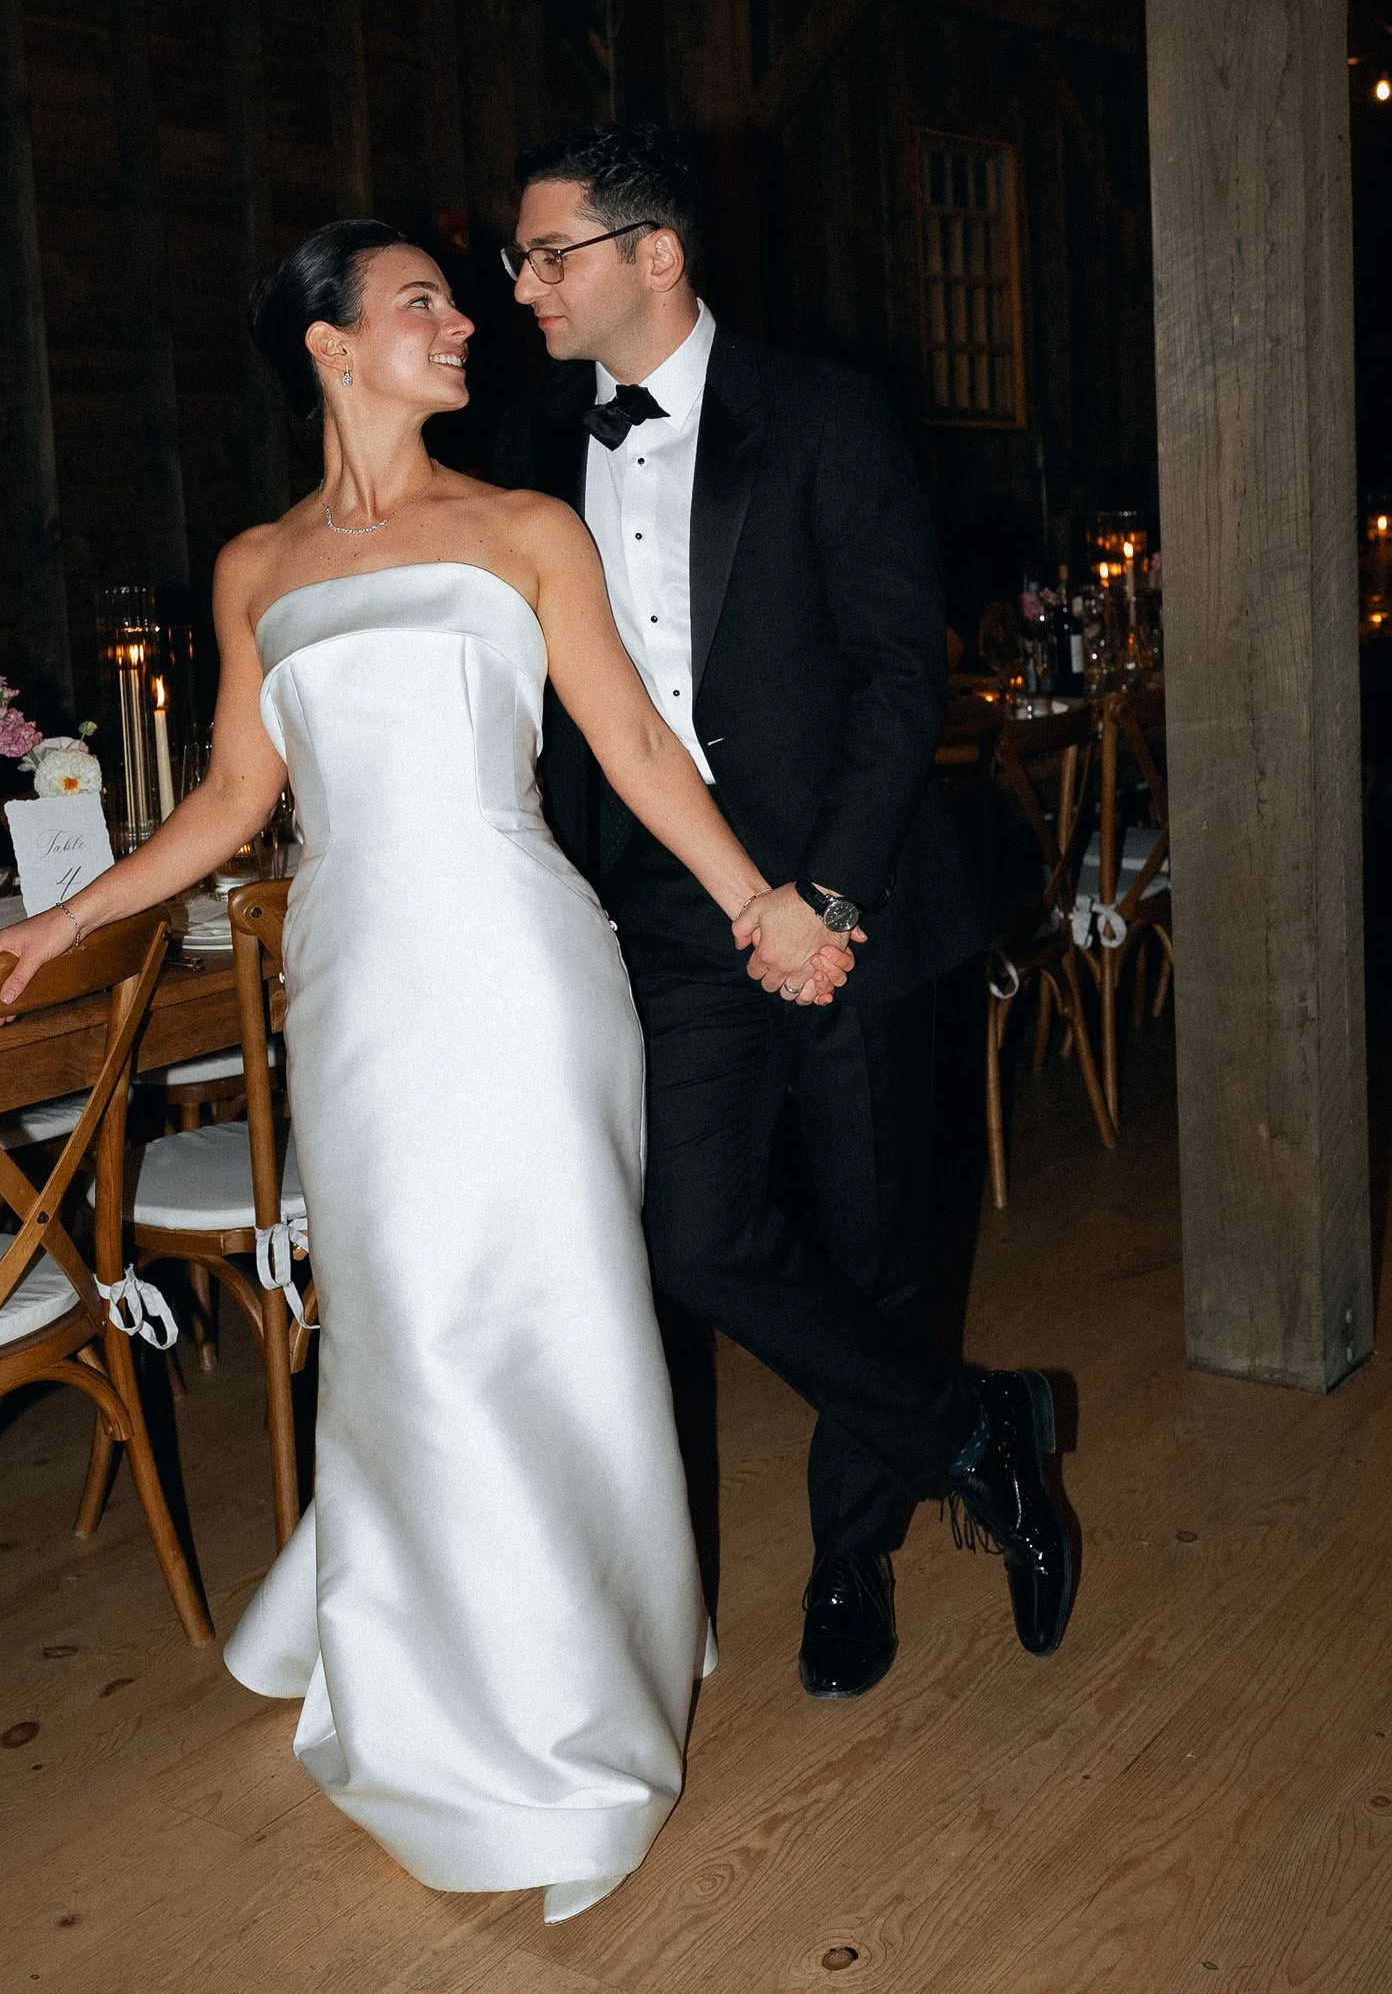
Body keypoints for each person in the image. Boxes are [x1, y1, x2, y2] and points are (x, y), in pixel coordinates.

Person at [0, 220, 852, 1926]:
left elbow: (625, 739)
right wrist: (74, 913)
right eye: (418, 304)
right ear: (326, 345)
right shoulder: (252, 568)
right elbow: (242, 796)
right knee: (397, 1321)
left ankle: (564, 1708)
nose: (464, 322)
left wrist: (759, 899)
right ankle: (422, 1644)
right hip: (358, 988)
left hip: (523, 969)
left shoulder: (525, 530)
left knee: (534, 1311)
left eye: (458, 300)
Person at [494, 120, 1075, 1698]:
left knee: (882, 1243)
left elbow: (903, 673)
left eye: (549, 253)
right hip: (671, 913)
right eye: (520, 258)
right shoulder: (540, 450)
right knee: (697, 1237)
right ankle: (979, 1432)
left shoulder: (823, 414)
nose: (525, 285)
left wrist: (819, 892)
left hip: (855, 893)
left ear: (653, 254)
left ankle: (847, 1561)